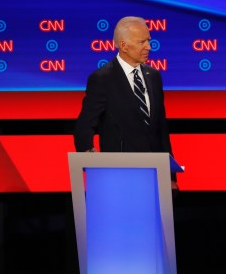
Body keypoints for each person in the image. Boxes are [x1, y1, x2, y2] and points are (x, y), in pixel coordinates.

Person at [73, 16, 177, 189]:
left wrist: (170, 176)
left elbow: (161, 129)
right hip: (119, 176)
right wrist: (89, 157)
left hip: (154, 175)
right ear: (123, 45)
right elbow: (85, 124)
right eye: (142, 42)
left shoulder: (154, 76)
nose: (149, 47)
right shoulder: (102, 78)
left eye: (149, 41)